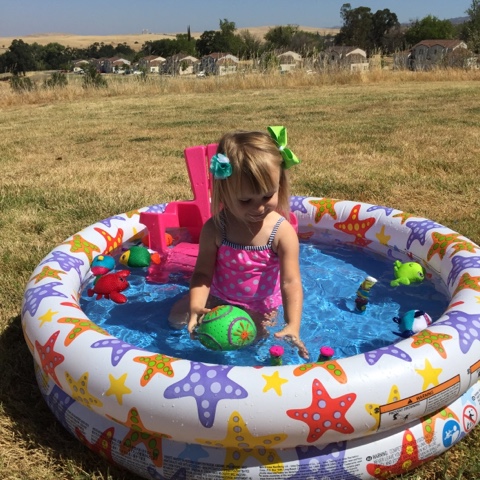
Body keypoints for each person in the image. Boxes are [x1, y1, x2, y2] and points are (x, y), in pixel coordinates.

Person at [168, 126, 309, 359]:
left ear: (279, 186)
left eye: (267, 196)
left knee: (252, 342)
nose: (259, 207)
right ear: (224, 193)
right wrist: (196, 307)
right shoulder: (216, 228)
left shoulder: (281, 233)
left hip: (260, 306)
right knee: (176, 318)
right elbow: (202, 273)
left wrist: (292, 324)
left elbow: (291, 281)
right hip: (218, 297)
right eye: (245, 200)